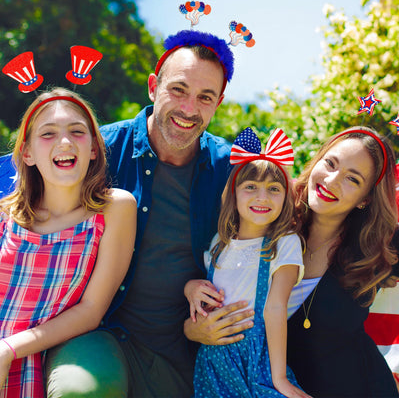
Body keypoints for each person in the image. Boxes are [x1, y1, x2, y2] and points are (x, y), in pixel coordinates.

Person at [45, 31, 255, 397]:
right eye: (178, 90)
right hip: (94, 332)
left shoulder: (232, 170)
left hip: (183, 347)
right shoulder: (98, 151)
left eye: (205, 97)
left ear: (218, 103)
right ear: (153, 86)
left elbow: (268, 247)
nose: (189, 109)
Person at [0, 87, 136, 397]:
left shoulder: (114, 209)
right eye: (48, 134)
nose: (65, 142)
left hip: (31, 352)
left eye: (77, 131)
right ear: (27, 153)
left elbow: (91, 310)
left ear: (93, 149)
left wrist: (8, 349)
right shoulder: (5, 213)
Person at [284, 126, 399, 397]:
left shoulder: (380, 244)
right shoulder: (272, 225)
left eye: (352, 179)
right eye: (330, 163)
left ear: (365, 200)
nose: (331, 180)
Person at [184, 127, 311, 398]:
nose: (262, 197)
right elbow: (204, 286)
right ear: (233, 194)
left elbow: (275, 308)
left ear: (285, 197)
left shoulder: (283, 243)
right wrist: (190, 288)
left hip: (258, 360)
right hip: (213, 361)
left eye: (273, 189)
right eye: (251, 187)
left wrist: (279, 379)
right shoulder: (220, 243)